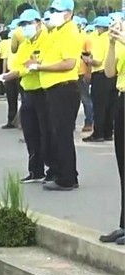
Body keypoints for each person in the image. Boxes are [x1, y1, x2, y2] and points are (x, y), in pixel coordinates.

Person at [31, 0, 81, 191]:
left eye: (56, 11)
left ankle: (66, 178)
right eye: (51, 10)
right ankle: (64, 173)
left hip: (64, 89)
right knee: (58, 134)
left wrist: (42, 67)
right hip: (55, 89)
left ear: (68, 13)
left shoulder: (70, 32)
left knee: (62, 135)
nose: (52, 14)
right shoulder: (57, 32)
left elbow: (69, 63)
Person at [1, 10, 52, 184]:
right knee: (30, 132)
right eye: (22, 25)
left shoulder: (47, 39)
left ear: (38, 22)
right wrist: (19, 70)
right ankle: (35, 170)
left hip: (43, 90)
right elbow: (18, 65)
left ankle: (51, 169)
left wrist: (28, 67)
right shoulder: (25, 44)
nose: (25, 28)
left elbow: (39, 64)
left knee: (46, 132)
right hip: (27, 91)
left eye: (28, 23)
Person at [100, 18, 125, 245]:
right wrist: (111, 43)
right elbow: (109, 72)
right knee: (123, 164)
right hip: (122, 98)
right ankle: (123, 223)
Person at [84, 16, 116, 142]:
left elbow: (97, 61)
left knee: (99, 106)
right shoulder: (113, 38)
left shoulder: (100, 40)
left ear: (100, 28)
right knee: (109, 105)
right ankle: (108, 132)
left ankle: (98, 133)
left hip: (100, 75)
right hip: (113, 75)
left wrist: (87, 60)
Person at [0, 23, 20, 129]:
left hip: (20, 72)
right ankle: (11, 120)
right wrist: (4, 73)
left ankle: (20, 122)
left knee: (25, 100)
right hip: (10, 71)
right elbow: (5, 59)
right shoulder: (8, 43)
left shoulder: (25, 42)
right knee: (11, 98)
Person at [77, 19, 95, 133]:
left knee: (86, 99)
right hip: (70, 73)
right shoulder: (70, 37)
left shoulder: (85, 38)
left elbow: (88, 57)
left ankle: (89, 122)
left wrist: (88, 72)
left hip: (81, 72)